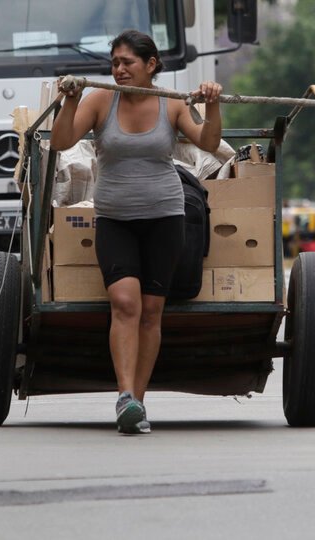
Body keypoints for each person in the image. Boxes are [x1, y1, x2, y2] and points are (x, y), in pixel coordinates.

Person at [50, 29, 222, 435]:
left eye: (128, 62)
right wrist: (70, 99)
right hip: (115, 219)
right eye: (114, 63)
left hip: (165, 217)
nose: (120, 70)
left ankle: (138, 404)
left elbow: (210, 142)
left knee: (151, 311)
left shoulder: (173, 104)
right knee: (124, 302)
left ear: (151, 66)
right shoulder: (98, 101)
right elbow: (60, 140)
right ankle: (124, 395)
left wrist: (212, 105)